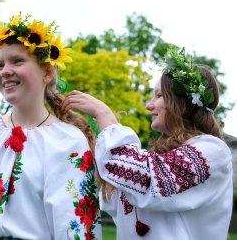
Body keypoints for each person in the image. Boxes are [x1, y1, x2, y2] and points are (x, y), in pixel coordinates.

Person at [0, 13, 102, 240]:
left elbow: (75, 224)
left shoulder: (67, 140)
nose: (5, 71)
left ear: (47, 72)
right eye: (0, 64)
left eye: (17, 61)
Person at [61, 47, 233, 239]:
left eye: (159, 96)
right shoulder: (158, 158)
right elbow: (113, 192)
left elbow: (145, 178)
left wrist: (104, 116)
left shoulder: (212, 152)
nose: (149, 105)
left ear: (182, 102)